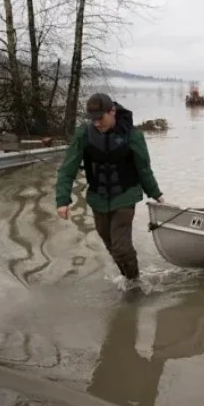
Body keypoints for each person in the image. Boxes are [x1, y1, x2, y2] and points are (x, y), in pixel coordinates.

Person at [55, 93, 164, 284]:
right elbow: (67, 169)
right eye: (93, 119)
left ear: (112, 111)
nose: (97, 123)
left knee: (121, 247)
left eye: (101, 118)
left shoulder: (133, 135)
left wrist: (156, 194)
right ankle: (128, 280)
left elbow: (144, 169)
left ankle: (135, 283)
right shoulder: (83, 135)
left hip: (125, 196)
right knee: (112, 246)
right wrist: (62, 200)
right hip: (98, 199)